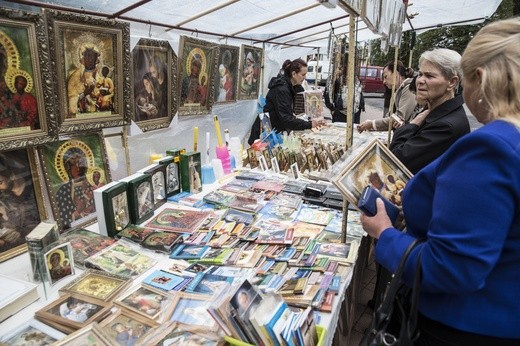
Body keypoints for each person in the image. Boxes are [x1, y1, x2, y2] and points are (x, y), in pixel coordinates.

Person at [360, 18, 520, 345]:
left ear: (479, 78)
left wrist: (385, 234)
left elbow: (451, 267)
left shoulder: (489, 147)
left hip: (459, 324)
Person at [389, 49, 470, 174]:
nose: (420, 80)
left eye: (429, 76)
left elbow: (395, 159)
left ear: (452, 82)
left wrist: (412, 125)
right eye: (420, 74)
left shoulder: (446, 126)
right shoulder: (435, 110)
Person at [250, 59, 325, 143]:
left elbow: (288, 111)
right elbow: (286, 119)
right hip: (264, 132)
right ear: (293, 74)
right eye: (303, 74)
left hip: (274, 131)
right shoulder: (281, 89)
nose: (305, 77)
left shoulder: (291, 87)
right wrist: (310, 124)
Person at [357, 60, 415, 132]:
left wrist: (372, 124)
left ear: (395, 74)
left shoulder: (408, 88)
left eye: (385, 77)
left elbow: (398, 119)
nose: (384, 81)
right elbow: (389, 116)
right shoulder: (398, 91)